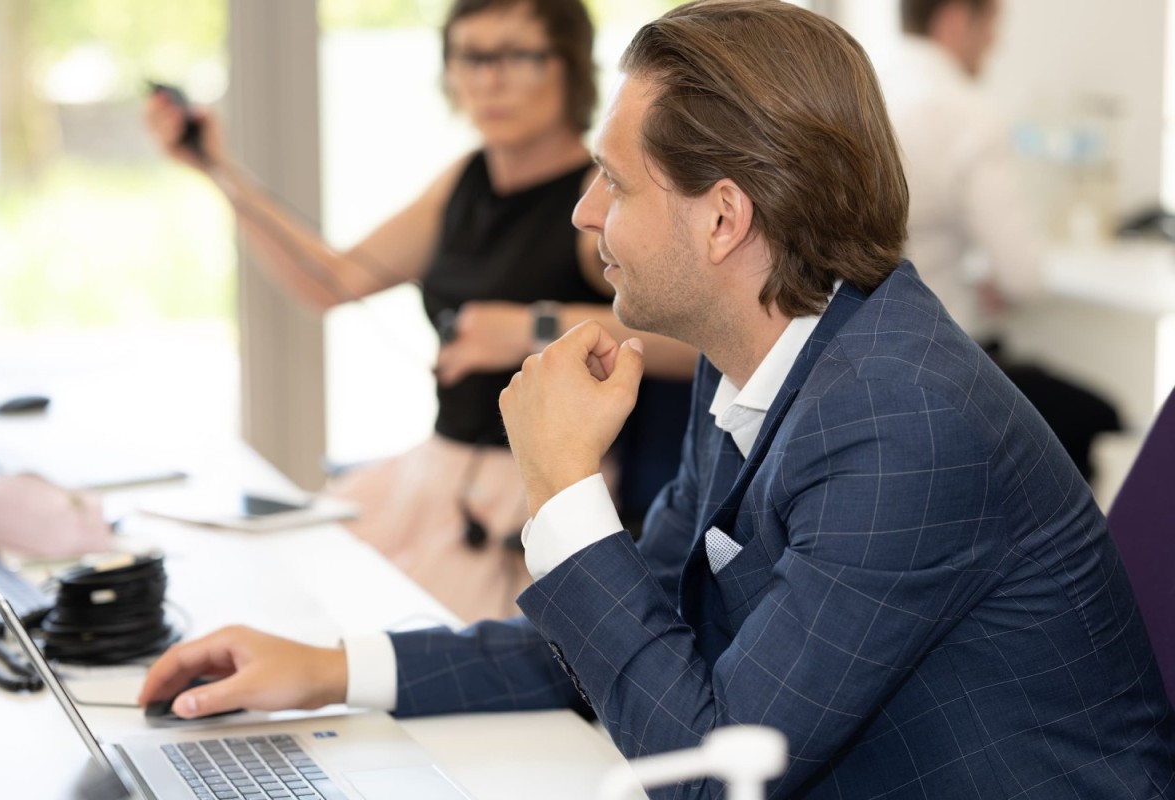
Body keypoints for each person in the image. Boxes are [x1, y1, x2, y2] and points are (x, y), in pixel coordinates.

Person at [141, 3, 1175, 797]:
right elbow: (632, 632)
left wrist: (560, 485)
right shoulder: (752, 358)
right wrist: (333, 667)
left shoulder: (900, 418)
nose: (587, 212)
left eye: (615, 184)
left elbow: (705, 763)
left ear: (724, 218)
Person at [144, 0, 695, 622]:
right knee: (277, 594)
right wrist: (218, 169)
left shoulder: (592, 201)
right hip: (436, 472)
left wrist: (533, 327)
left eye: (517, 56)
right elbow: (334, 279)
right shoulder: (463, 182)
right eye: (471, 57)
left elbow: (690, 340)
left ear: (568, 67)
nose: (490, 79)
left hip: (521, 494)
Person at [879, 0, 1120, 480]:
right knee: (1101, 417)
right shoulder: (963, 110)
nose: (997, 43)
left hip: (861, 365)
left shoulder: (861, 89)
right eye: (991, 26)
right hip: (939, 370)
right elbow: (1023, 278)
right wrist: (992, 278)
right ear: (954, 19)